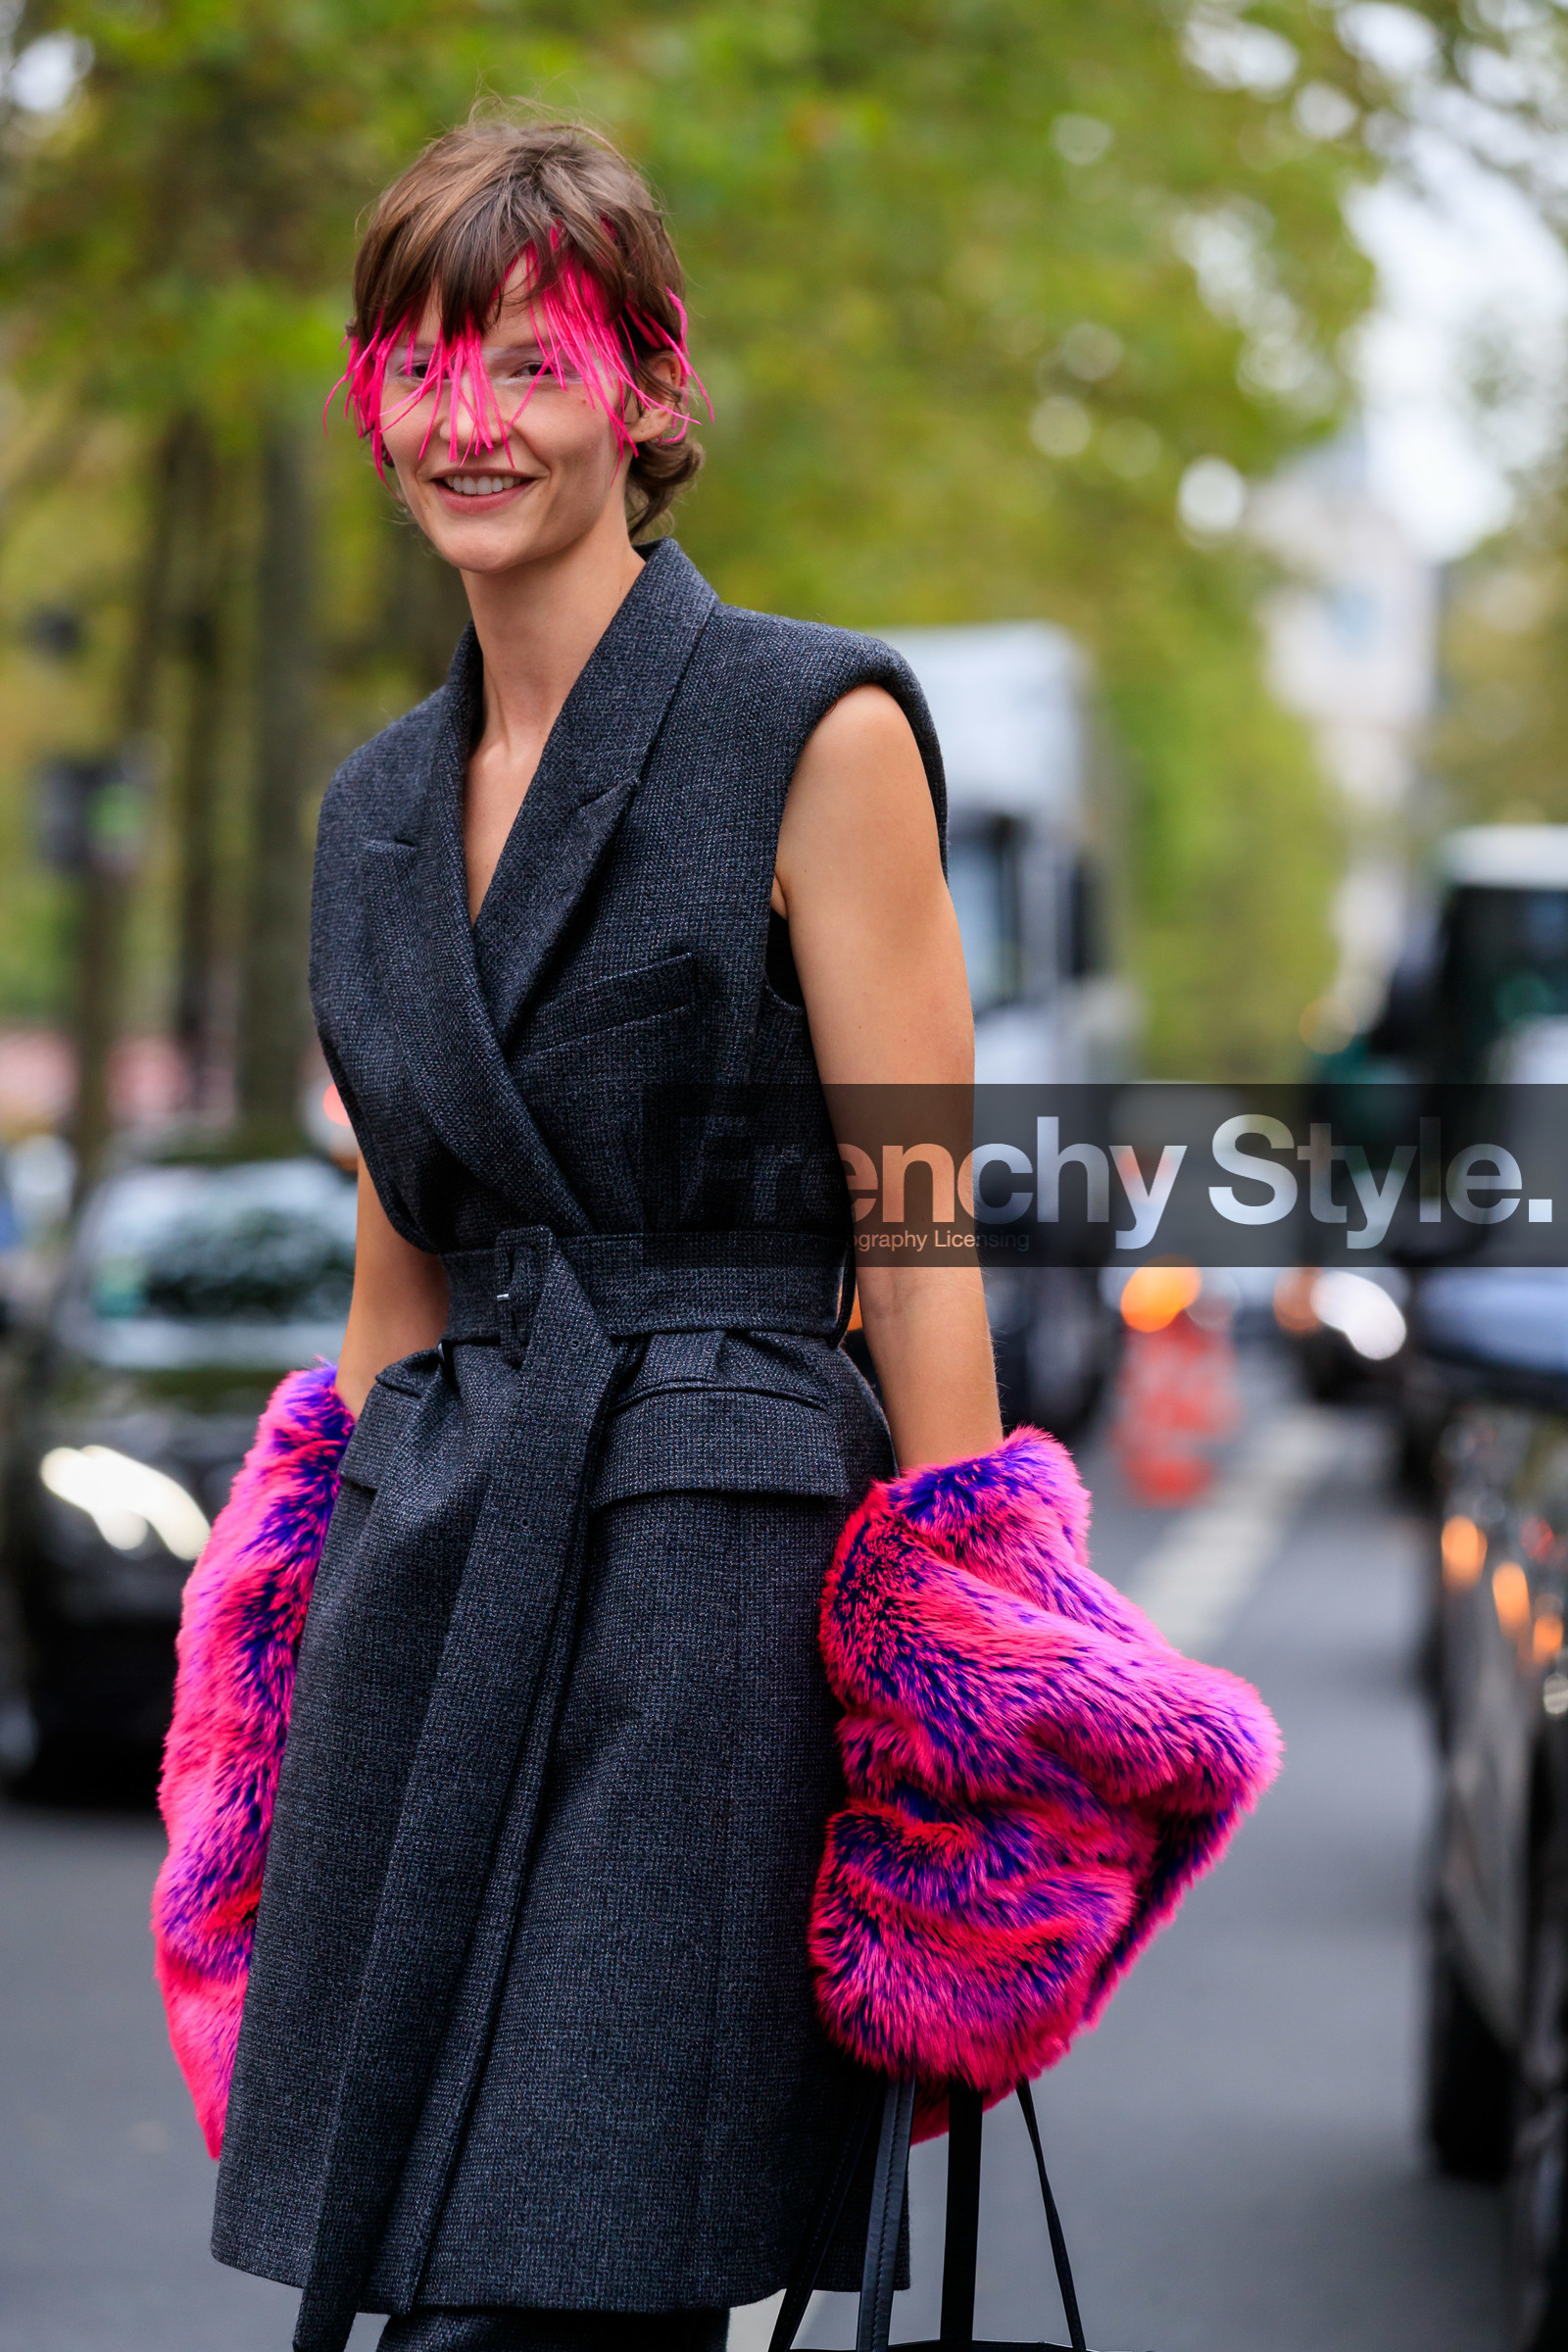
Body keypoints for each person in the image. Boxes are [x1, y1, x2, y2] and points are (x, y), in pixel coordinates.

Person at [210, 112, 1001, 2352]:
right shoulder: (371, 809)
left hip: (712, 1566)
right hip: (436, 1557)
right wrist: (283, 1640)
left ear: (647, 395)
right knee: (410, 2264)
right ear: (372, 400)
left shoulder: (809, 726)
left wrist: (970, 1696)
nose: (470, 422)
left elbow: (917, 1224)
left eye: (530, 365)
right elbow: (400, 1258)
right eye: (422, 369)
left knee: (573, 2280)